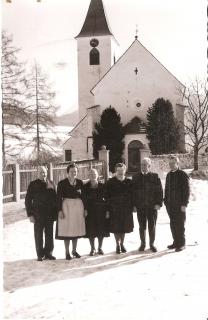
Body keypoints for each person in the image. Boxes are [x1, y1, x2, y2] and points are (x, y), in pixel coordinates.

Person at [25, 166, 57, 261]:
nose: (43, 174)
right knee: (38, 234)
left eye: (44, 172)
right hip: (38, 214)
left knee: (49, 234)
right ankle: (40, 254)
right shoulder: (33, 184)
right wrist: (30, 214)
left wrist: (55, 213)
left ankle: (48, 253)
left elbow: (55, 199)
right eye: (41, 172)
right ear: (37, 173)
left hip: (49, 213)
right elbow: (28, 200)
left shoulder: (51, 183)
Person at [132, 158, 163, 253]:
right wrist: (133, 205)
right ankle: (143, 244)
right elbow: (132, 192)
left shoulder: (155, 176)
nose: (143, 166)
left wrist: (158, 203)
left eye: (145, 165)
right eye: (142, 165)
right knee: (142, 226)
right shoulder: (136, 177)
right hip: (140, 206)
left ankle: (152, 244)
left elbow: (160, 191)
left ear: (149, 166)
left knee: (152, 226)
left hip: (152, 206)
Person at [56, 162, 86, 260]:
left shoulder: (80, 183)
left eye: (75, 171)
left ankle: (74, 250)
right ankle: (67, 252)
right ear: (68, 172)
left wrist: (85, 209)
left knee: (75, 229)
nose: (74, 173)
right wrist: (60, 210)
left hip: (78, 208)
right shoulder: (62, 183)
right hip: (66, 207)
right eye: (72, 171)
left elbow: (84, 197)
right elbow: (58, 198)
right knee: (67, 230)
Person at [105, 163, 134, 254]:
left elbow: (133, 195)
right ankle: (117, 244)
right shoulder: (110, 182)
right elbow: (107, 197)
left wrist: (133, 206)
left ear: (125, 171)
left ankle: (122, 244)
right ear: (115, 171)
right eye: (118, 171)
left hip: (126, 208)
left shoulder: (129, 182)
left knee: (124, 227)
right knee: (116, 227)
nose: (121, 172)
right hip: (114, 209)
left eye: (122, 170)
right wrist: (108, 209)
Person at [164, 155, 190, 252]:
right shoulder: (168, 175)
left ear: (177, 163)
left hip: (180, 205)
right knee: (173, 223)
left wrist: (184, 204)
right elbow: (166, 189)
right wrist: (165, 201)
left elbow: (186, 190)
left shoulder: (182, 174)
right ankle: (175, 242)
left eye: (173, 163)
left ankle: (182, 243)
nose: (171, 165)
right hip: (170, 205)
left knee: (180, 224)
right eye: (170, 163)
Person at [83, 169, 110, 256]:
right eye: (91, 174)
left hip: (101, 211)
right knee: (91, 230)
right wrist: (85, 209)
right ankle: (92, 248)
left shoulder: (103, 186)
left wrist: (107, 211)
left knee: (101, 230)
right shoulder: (86, 187)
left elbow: (107, 199)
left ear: (97, 175)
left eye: (94, 174)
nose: (93, 175)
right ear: (88, 176)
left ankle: (100, 248)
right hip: (90, 212)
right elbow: (84, 200)